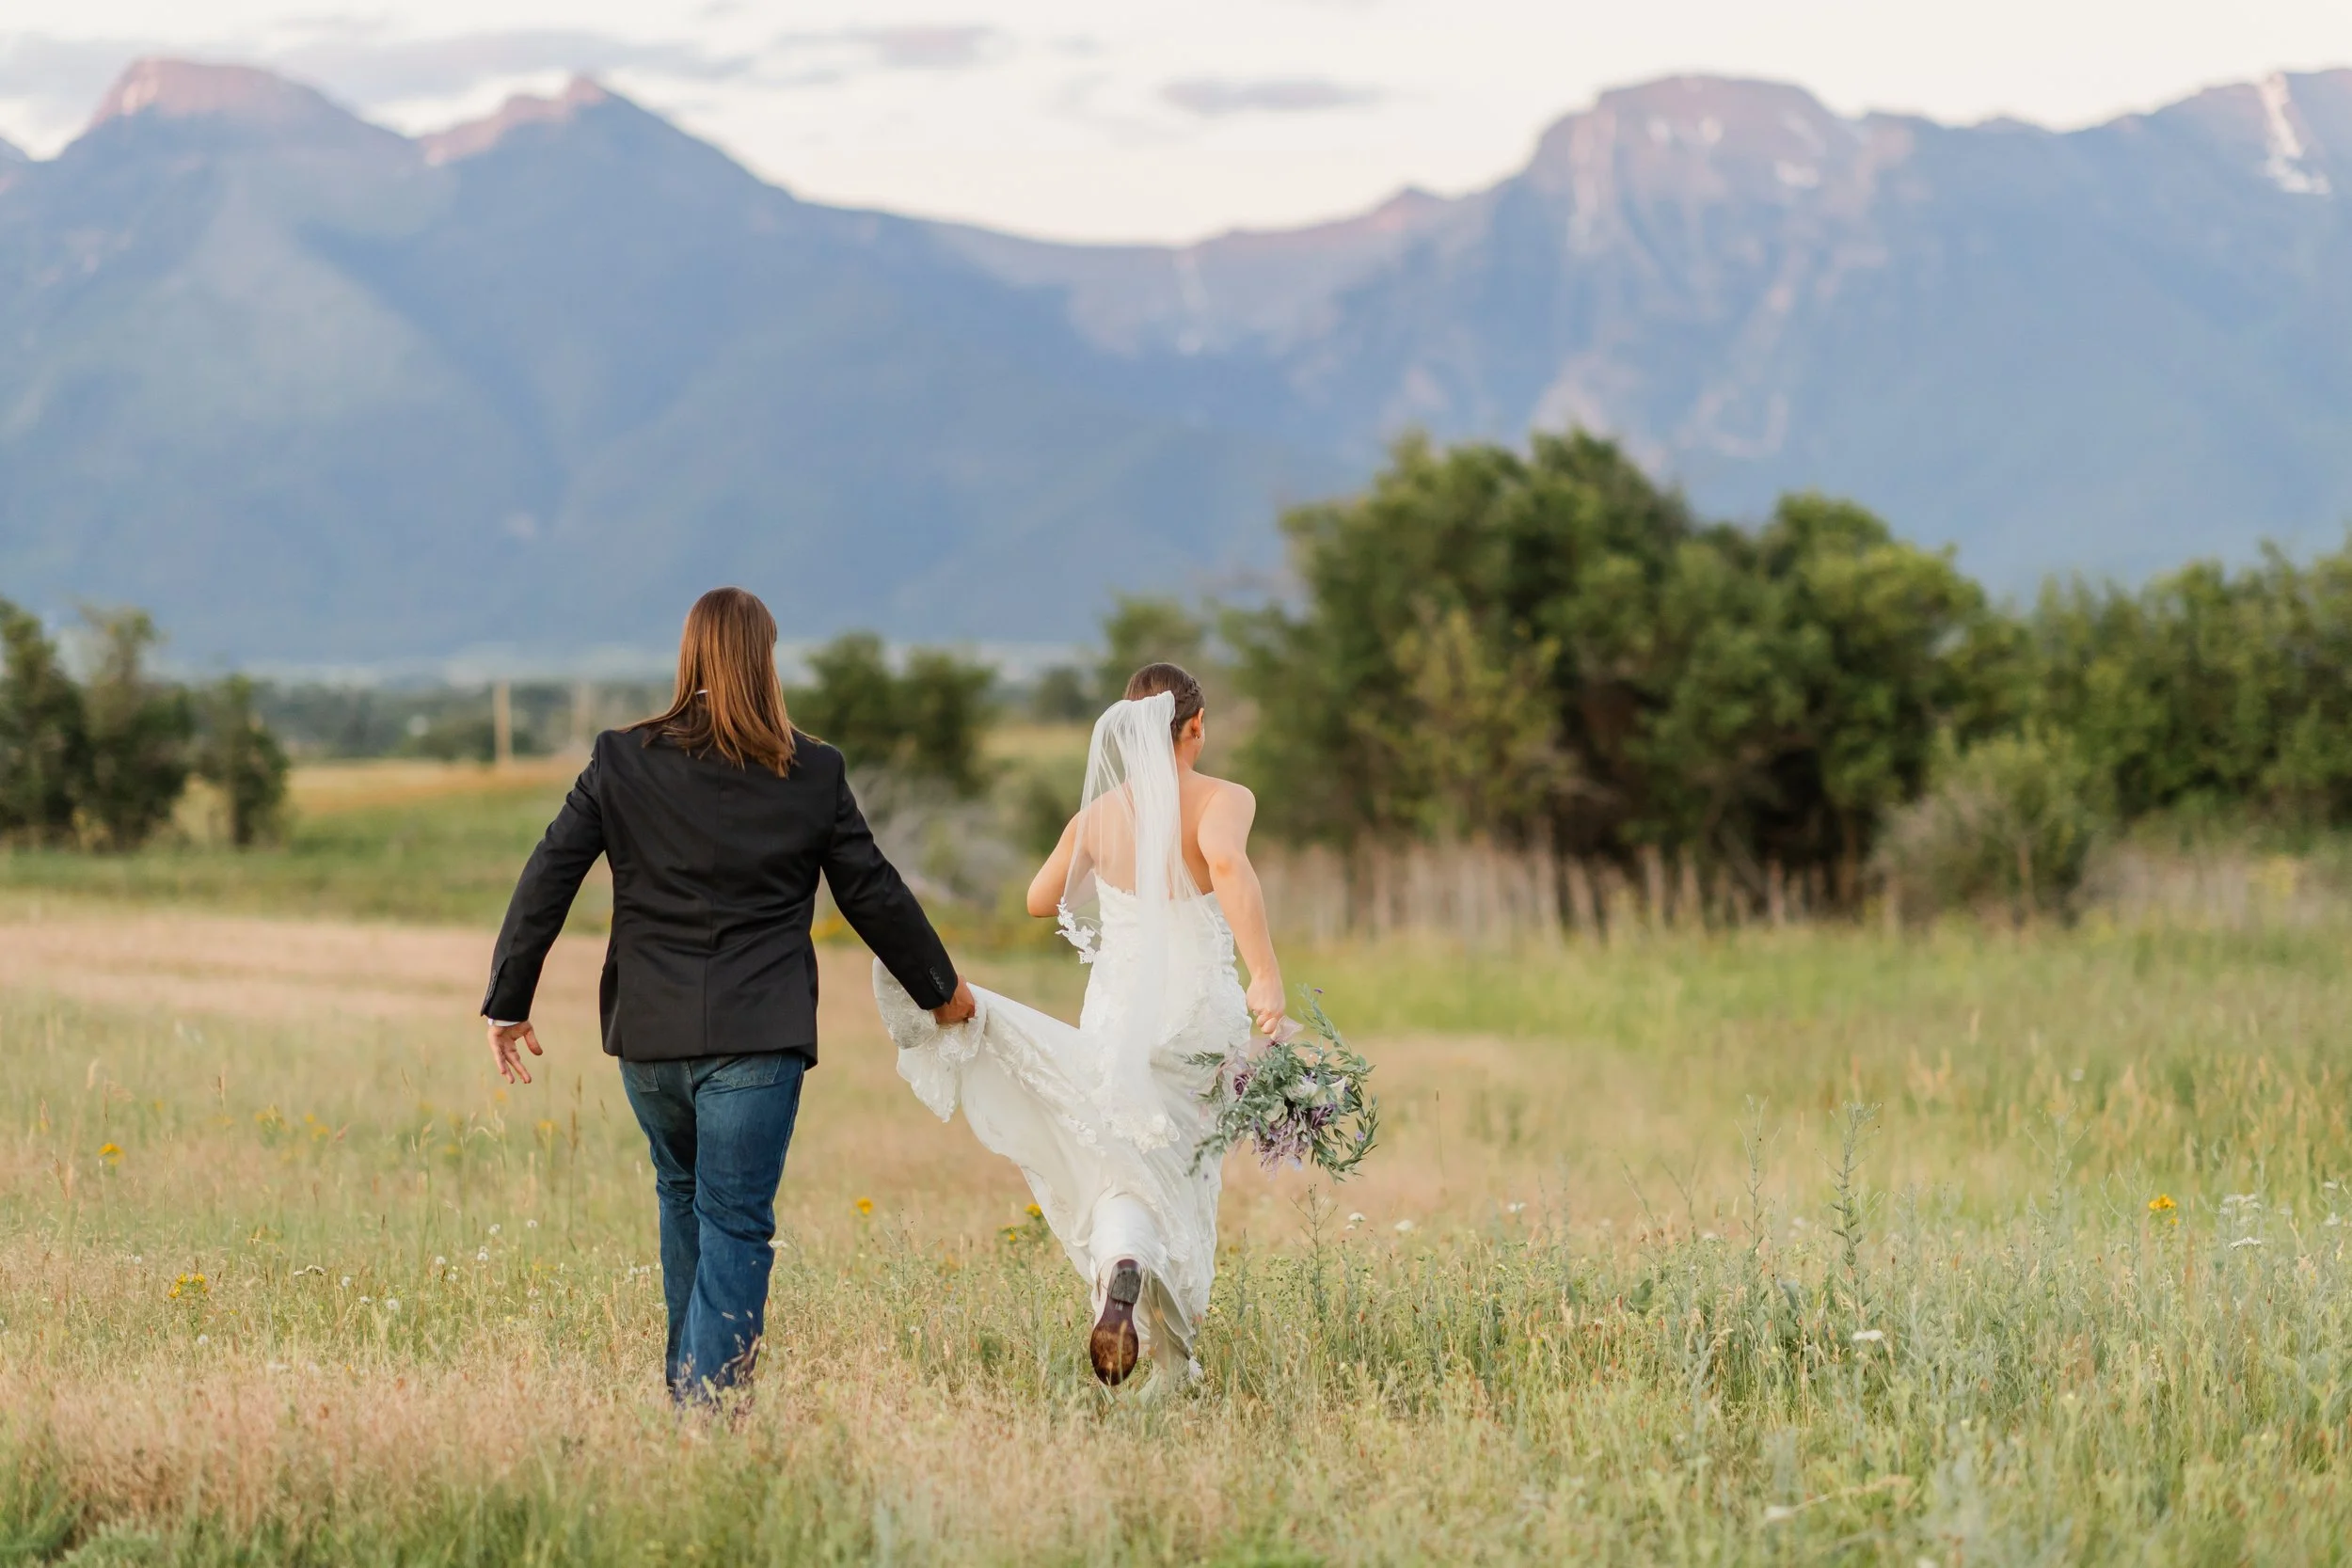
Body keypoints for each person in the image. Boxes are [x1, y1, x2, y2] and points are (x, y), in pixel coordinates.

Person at [480, 587, 977, 1402]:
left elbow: (548, 873)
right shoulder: (811, 769)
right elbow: (873, 892)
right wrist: (941, 990)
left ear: (690, 655)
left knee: (684, 1200)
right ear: (765, 659)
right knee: (735, 1222)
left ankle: (690, 1400)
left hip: (649, 1039)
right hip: (757, 1036)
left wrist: (509, 999)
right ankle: (708, 1414)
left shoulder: (621, 757)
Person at [878, 662, 1288, 1389]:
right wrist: (1266, 973)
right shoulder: (1224, 798)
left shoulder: (1098, 816)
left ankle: (1123, 1264)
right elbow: (1226, 863)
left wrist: (1111, 869)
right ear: (1195, 726)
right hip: (1195, 1018)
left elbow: (1041, 898)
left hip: (1116, 1018)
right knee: (1181, 1171)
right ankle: (1160, 1328)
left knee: (1117, 1165)